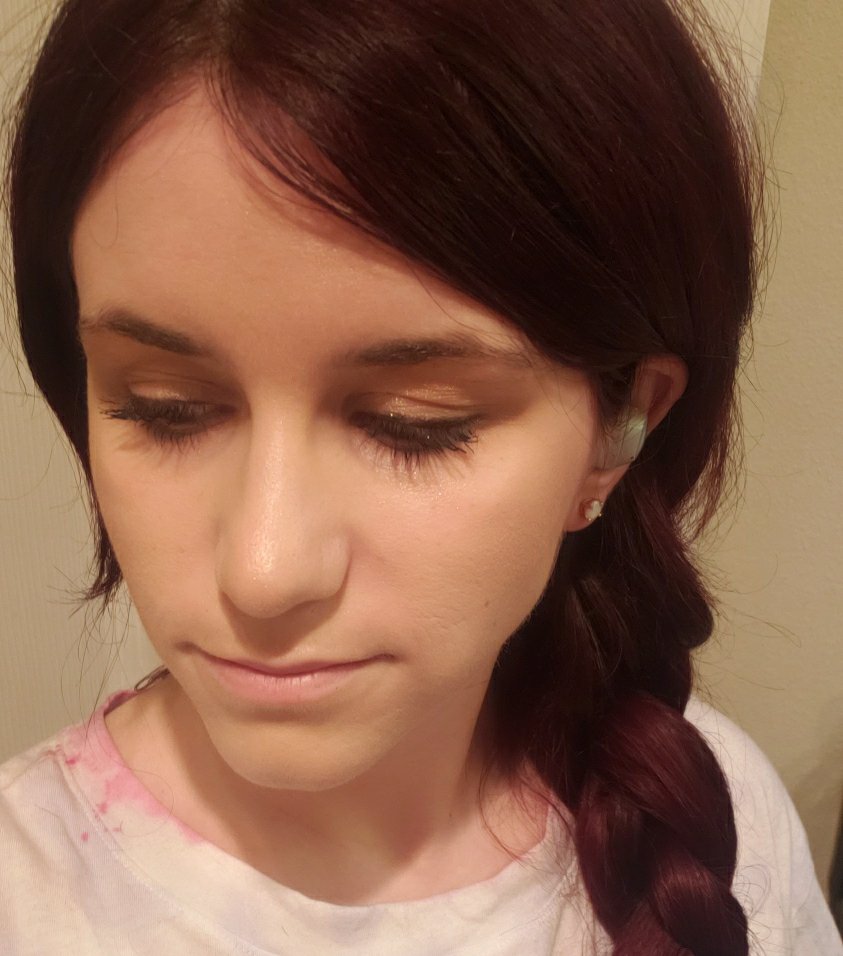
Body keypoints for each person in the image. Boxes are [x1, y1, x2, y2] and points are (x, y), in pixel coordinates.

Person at [0, 0, 840, 953]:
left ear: (619, 427)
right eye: (164, 407)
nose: (264, 572)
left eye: (416, 425)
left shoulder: (713, 817)